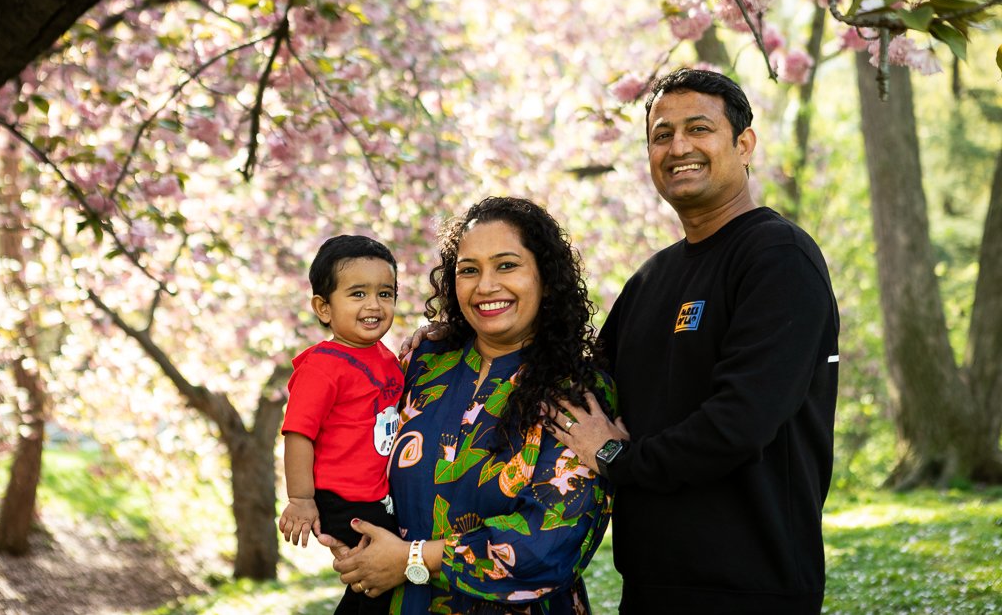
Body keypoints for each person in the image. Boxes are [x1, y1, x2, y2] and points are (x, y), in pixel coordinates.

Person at [545, 68, 840, 614]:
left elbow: (739, 422)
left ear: (743, 144)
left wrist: (617, 457)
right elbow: (580, 387)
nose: (678, 147)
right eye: (662, 135)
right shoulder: (651, 280)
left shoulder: (777, 258)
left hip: (750, 587)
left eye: (699, 129)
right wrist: (456, 340)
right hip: (652, 584)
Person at [321, 196, 617, 614]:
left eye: (507, 265)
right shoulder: (422, 364)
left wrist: (411, 559)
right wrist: (349, 537)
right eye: (469, 270)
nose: (485, 286)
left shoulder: (576, 391)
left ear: (546, 278)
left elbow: (549, 547)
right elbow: (355, 451)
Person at [278, 234, 405, 615]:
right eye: (358, 294)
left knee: (385, 576)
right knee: (376, 578)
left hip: (379, 494)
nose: (374, 305)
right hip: (346, 500)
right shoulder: (323, 366)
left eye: (386, 293)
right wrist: (301, 499)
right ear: (323, 307)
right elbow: (299, 433)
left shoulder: (386, 357)